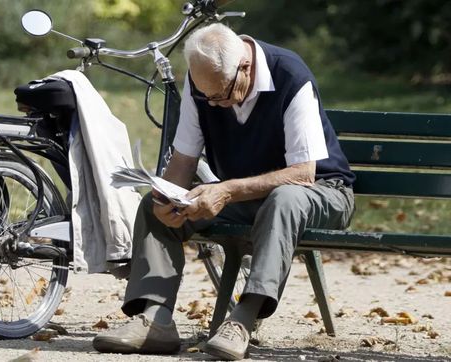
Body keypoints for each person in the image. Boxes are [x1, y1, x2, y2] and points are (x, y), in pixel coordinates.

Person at [93, 23, 356, 360]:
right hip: (251, 197)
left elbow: (303, 175)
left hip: (322, 193)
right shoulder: (202, 83)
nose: (214, 105)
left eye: (221, 94)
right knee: (151, 206)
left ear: (244, 67)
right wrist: (166, 197)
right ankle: (155, 319)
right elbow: (185, 159)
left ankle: (243, 321)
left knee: (284, 198)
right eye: (207, 97)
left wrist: (226, 191)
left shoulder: (290, 75)